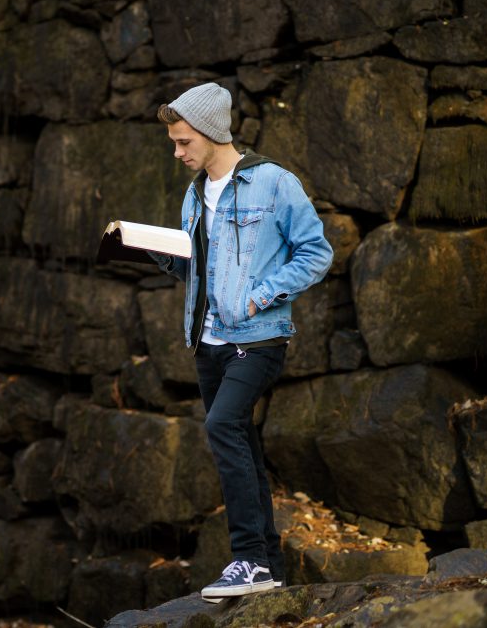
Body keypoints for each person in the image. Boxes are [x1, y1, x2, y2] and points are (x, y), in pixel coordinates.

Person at [149, 82, 332, 601]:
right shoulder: (194, 194)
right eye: (174, 143)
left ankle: (248, 558)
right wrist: (155, 252)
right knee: (243, 445)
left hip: (257, 337)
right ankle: (269, 568)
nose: (178, 153)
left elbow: (316, 252)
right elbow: (201, 270)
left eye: (184, 142)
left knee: (223, 425)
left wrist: (260, 296)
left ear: (211, 132)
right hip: (206, 343)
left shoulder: (274, 183)